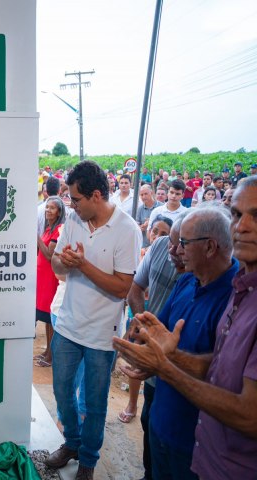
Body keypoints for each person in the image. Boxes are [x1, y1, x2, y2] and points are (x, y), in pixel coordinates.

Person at [114, 177, 257, 479]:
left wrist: (164, 365)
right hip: (169, 426)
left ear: (209, 248)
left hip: (194, 444)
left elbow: (248, 412)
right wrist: (153, 349)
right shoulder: (200, 282)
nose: (174, 250)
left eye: (182, 243)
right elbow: (218, 363)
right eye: (237, 215)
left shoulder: (231, 291)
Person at [45, 161, 141, 480]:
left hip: (103, 335)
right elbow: (58, 265)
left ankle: (88, 458)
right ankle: (72, 442)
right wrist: (66, 262)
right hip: (69, 325)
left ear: (96, 195)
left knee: (95, 403)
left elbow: (123, 287)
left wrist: (83, 266)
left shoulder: (127, 230)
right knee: (62, 391)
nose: (71, 205)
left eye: (76, 199)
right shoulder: (74, 219)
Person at [121, 214, 187, 479]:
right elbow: (135, 290)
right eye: (169, 242)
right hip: (153, 359)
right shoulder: (160, 248)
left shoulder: (202, 281)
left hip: (180, 371)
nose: (173, 250)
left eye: (180, 244)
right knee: (150, 420)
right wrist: (143, 327)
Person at [35, 196, 65, 367]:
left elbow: (48, 255)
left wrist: (37, 236)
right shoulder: (49, 228)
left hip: (50, 279)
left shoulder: (58, 229)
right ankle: (47, 352)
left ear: (59, 212)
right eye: (47, 208)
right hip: (43, 277)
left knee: (50, 317)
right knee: (46, 318)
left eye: (52, 208)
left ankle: (51, 356)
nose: (48, 211)